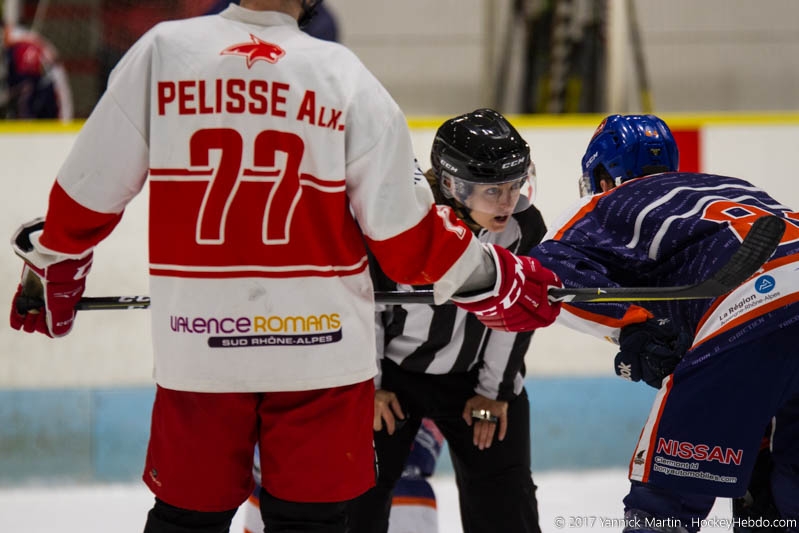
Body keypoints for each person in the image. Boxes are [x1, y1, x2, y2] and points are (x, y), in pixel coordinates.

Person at [7, 2, 562, 532]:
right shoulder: (341, 72)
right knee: (311, 522)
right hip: (318, 354)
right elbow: (406, 238)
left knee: (185, 518)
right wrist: (498, 278)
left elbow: (85, 191)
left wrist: (55, 267)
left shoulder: (162, 50)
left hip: (199, 348)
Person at [529, 114, 799, 532]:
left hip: (754, 306)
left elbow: (547, 271)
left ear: (602, 176)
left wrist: (633, 326)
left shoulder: (607, 202)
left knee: (665, 502)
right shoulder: (732, 186)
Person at [350, 108, 548, 533]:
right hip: (392, 376)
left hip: (477, 379)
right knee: (356, 499)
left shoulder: (522, 227)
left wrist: (494, 393)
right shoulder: (400, 222)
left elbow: (518, 314)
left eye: (514, 186)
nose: (509, 201)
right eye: (494, 190)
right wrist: (369, 388)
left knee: (505, 502)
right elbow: (365, 305)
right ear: (455, 185)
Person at [1, 22, 73, 119]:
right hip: (42, 86)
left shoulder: (21, 45)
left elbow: (25, 83)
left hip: (49, 90)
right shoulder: (18, 42)